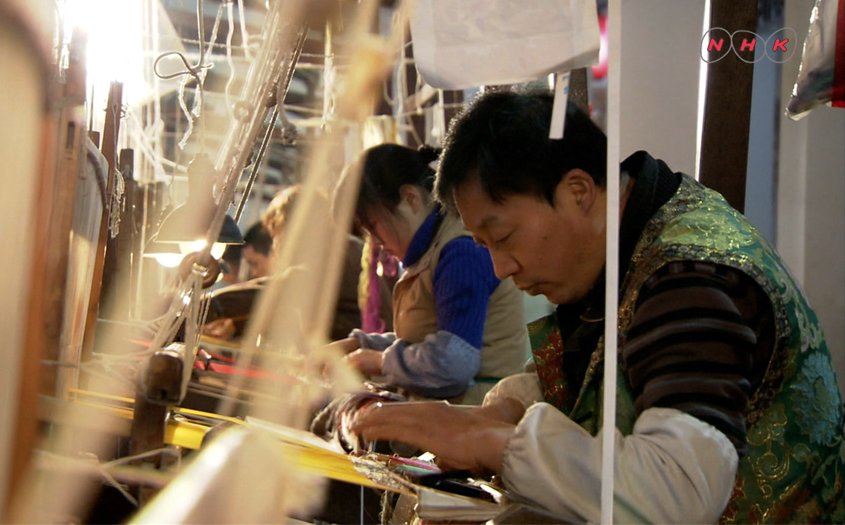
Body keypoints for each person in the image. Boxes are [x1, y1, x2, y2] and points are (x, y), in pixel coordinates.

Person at [348, 92, 844, 523]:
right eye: (484, 246)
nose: (499, 268)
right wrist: (505, 408)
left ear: (579, 191)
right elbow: (604, 363)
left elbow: (678, 492)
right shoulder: (623, 238)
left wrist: (493, 443)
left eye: (501, 237)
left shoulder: (686, 279)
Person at [327, 143, 529, 405]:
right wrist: (359, 346)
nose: (374, 242)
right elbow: (421, 341)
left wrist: (378, 361)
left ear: (410, 198)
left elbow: (454, 364)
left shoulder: (460, 252)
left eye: (375, 226)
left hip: (476, 416)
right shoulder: (431, 252)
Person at [262, 185, 394, 342]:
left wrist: (224, 307)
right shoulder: (348, 247)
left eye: (275, 233)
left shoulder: (332, 254)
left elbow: (269, 293)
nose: (275, 244)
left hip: (363, 358)